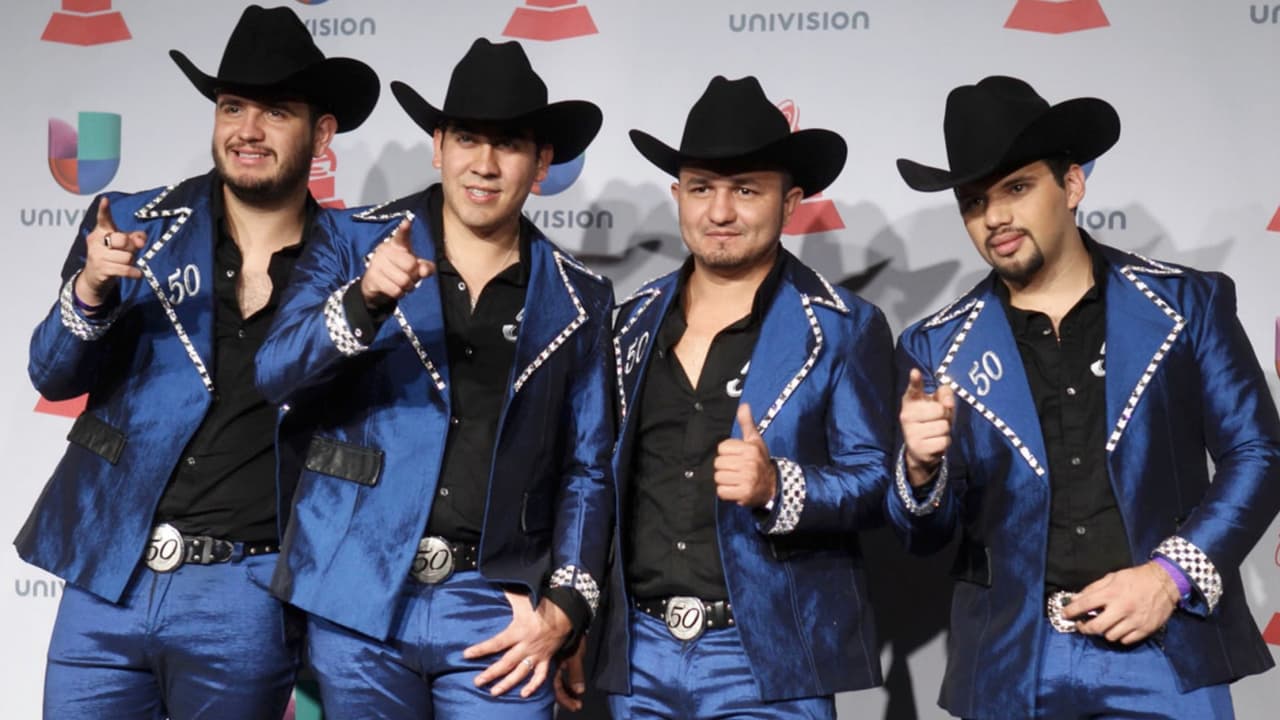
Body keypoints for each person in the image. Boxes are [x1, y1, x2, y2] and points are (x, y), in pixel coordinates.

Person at [17, 5, 379, 718]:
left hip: (245, 593)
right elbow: (52, 375)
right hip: (106, 578)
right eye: (233, 106)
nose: (248, 130)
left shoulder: (359, 262)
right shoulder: (131, 226)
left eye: (276, 112)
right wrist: (90, 291)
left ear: (322, 133)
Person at [890, 75, 1280, 719]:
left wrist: (1169, 577)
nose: (995, 217)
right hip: (1012, 664)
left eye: (1017, 188)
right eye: (974, 200)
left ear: (1072, 185)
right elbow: (924, 536)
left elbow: (1258, 452)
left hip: (1164, 644)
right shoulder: (934, 346)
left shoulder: (1187, 303)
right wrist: (919, 471)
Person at [254, 38, 614, 718]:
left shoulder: (581, 297)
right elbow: (276, 375)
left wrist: (567, 605)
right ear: (438, 146)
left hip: (498, 605)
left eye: (508, 145)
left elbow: (588, 467)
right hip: (360, 590)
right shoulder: (351, 242)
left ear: (542, 163)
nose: (484, 164)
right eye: (468, 139)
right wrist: (363, 301)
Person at [566, 75, 893, 719]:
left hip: (769, 659)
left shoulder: (844, 326)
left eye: (745, 190)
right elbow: (591, 480)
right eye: (701, 188)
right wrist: (577, 614)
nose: (719, 212)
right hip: (638, 655)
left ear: (789, 203)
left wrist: (779, 486)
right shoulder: (628, 323)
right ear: (677, 196)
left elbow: (879, 480)